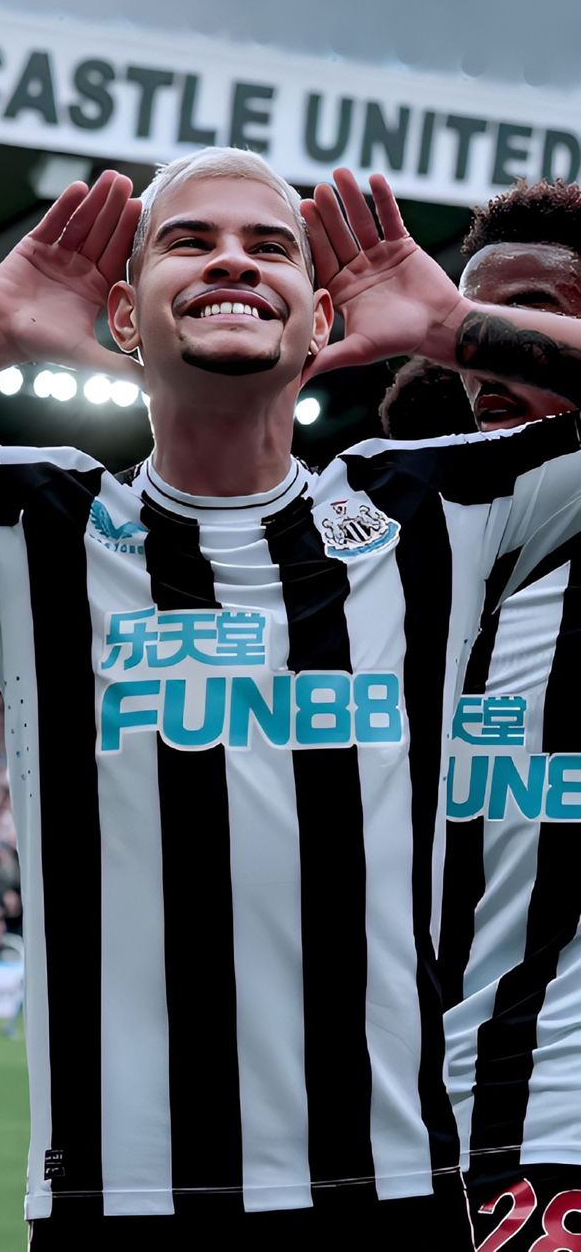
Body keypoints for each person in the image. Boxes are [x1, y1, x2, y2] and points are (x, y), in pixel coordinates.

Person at [0, 152, 581, 1246]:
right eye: (187, 241)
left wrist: (452, 324)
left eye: (270, 244)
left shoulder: (433, 513)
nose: (231, 258)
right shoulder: (28, 525)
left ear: (322, 316)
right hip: (118, 1200)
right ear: (122, 317)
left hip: (387, 1194)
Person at [380, 177, 581, 1251]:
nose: (487, 351)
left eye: (532, 313)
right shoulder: (387, 574)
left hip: (554, 1136)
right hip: (375, 1142)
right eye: (472, 323)